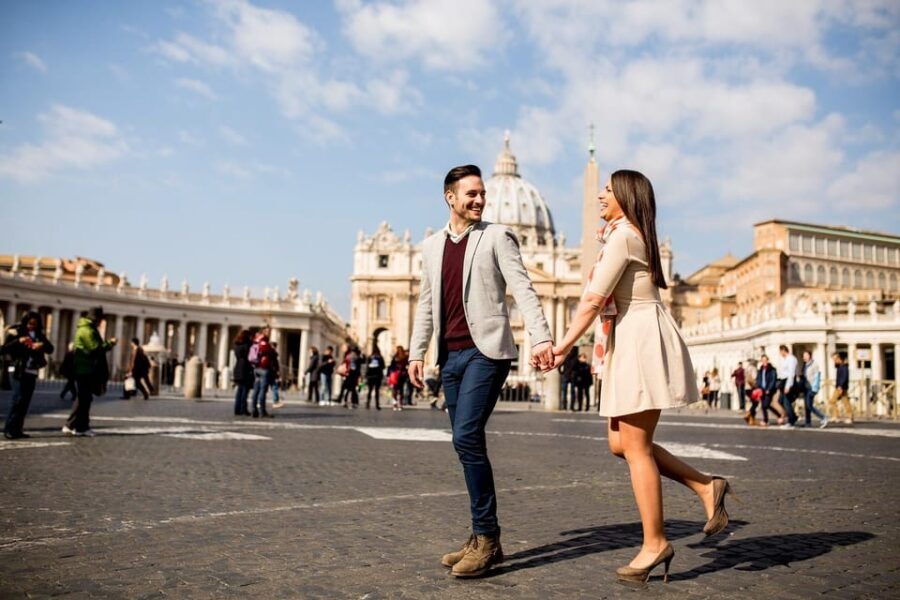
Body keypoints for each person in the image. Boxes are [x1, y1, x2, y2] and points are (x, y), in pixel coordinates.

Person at [545, 169, 730, 585]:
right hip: (630, 338)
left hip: (639, 342)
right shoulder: (623, 234)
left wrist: (562, 347)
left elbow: (593, 300)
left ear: (626, 196)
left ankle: (655, 543)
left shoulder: (625, 236)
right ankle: (706, 486)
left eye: (607, 190)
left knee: (636, 447)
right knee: (621, 443)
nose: (599, 196)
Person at [408, 164, 555, 579]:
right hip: (450, 355)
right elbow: (425, 304)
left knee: (466, 435)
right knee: (464, 445)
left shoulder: (497, 236)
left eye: (482, 193)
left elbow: (522, 287)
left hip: (485, 352)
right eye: (470, 193)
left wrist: (541, 338)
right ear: (449, 197)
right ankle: (481, 535)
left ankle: (487, 539)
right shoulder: (432, 247)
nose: (478, 199)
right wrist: (418, 352)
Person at [63, 306, 116, 437]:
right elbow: (95, 349)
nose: (100, 322)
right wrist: (110, 343)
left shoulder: (87, 329)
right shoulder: (87, 331)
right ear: (96, 319)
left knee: (82, 399)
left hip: (85, 368)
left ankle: (70, 425)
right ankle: (81, 427)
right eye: (100, 320)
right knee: (85, 399)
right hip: (85, 368)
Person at [3, 311, 54, 439]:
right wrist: (19, 341)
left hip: (31, 371)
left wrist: (42, 345)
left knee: (25, 401)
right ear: (25, 322)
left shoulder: (39, 335)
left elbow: (50, 348)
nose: (32, 326)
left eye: (35, 324)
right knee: (18, 399)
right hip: (16, 369)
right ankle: (9, 429)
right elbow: (3, 349)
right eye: (30, 323)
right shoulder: (16, 332)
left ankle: (18, 429)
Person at [249, 327, 274, 418]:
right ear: (263, 332)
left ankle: (253, 410)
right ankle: (262, 411)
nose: (269, 333)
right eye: (268, 331)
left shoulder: (256, 341)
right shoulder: (264, 342)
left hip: (256, 368)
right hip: (263, 368)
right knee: (262, 391)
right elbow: (267, 352)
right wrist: (271, 350)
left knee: (256, 390)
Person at [749, 354, 780, 426]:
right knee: (765, 405)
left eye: (765, 360)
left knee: (765, 405)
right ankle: (772, 417)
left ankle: (772, 418)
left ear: (767, 360)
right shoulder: (761, 369)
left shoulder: (772, 369)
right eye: (763, 360)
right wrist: (757, 387)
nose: (764, 362)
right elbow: (759, 379)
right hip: (762, 390)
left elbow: (773, 380)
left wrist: (769, 389)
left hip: (769, 390)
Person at [800, 350, 828, 428]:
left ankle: (823, 417)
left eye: (806, 355)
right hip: (805, 387)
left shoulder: (814, 364)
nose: (805, 357)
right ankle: (807, 422)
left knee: (809, 405)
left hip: (812, 387)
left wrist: (815, 388)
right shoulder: (805, 365)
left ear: (810, 355)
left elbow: (817, 376)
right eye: (804, 355)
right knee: (807, 405)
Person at [776, 344, 799, 427]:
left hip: (788, 381)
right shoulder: (783, 359)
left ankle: (791, 420)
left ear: (783, 350)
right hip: (782, 381)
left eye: (780, 351)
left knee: (786, 402)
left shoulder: (791, 359)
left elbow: (791, 373)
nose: (780, 353)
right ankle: (793, 416)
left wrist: (788, 386)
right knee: (780, 401)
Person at [231, 329, 253, 416]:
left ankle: (237, 409)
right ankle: (243, 409)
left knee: (239, 390)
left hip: (238, 368)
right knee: (244, 391)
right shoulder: (247, 345)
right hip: (245, 368)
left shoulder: (236, 345)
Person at [828, 352, 853, 425]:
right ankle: (849, 417)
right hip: (841, 386)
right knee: (846, 402)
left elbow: (844, 377)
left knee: (832, 401)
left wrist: (840, 386)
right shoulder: (840, 366)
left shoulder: (843, 366)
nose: (834, 360)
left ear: (839, 358)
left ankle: (837, 416)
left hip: (840, 387)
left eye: (835, 359)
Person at [388, 346, 409, 411]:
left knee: (395, 389)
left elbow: (391, 366)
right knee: (401, 389)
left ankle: (395, 403)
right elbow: (407, 366)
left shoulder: (395, 357)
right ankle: (400, 404)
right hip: (402, 375)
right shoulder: (405, 357)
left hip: (395, 375)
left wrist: (389, 375)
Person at [365, 345, 385, 410]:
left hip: (370, 376)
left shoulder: (369, 357)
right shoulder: (380, 358)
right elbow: (383, 366)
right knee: (377, 391)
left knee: (370, 390)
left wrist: (367, 374)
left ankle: (368, 404)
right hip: (378, 376)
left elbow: (367, 366)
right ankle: (377, 405)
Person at [270, 341, 283, 409]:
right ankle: (275, 401)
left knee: (263, 387)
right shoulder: (273, 353)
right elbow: (275, 364)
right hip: (271, 372)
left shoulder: (270, 352)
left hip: (269, 371)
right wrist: (277, 371)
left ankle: (259, 401)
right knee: (274, 386)